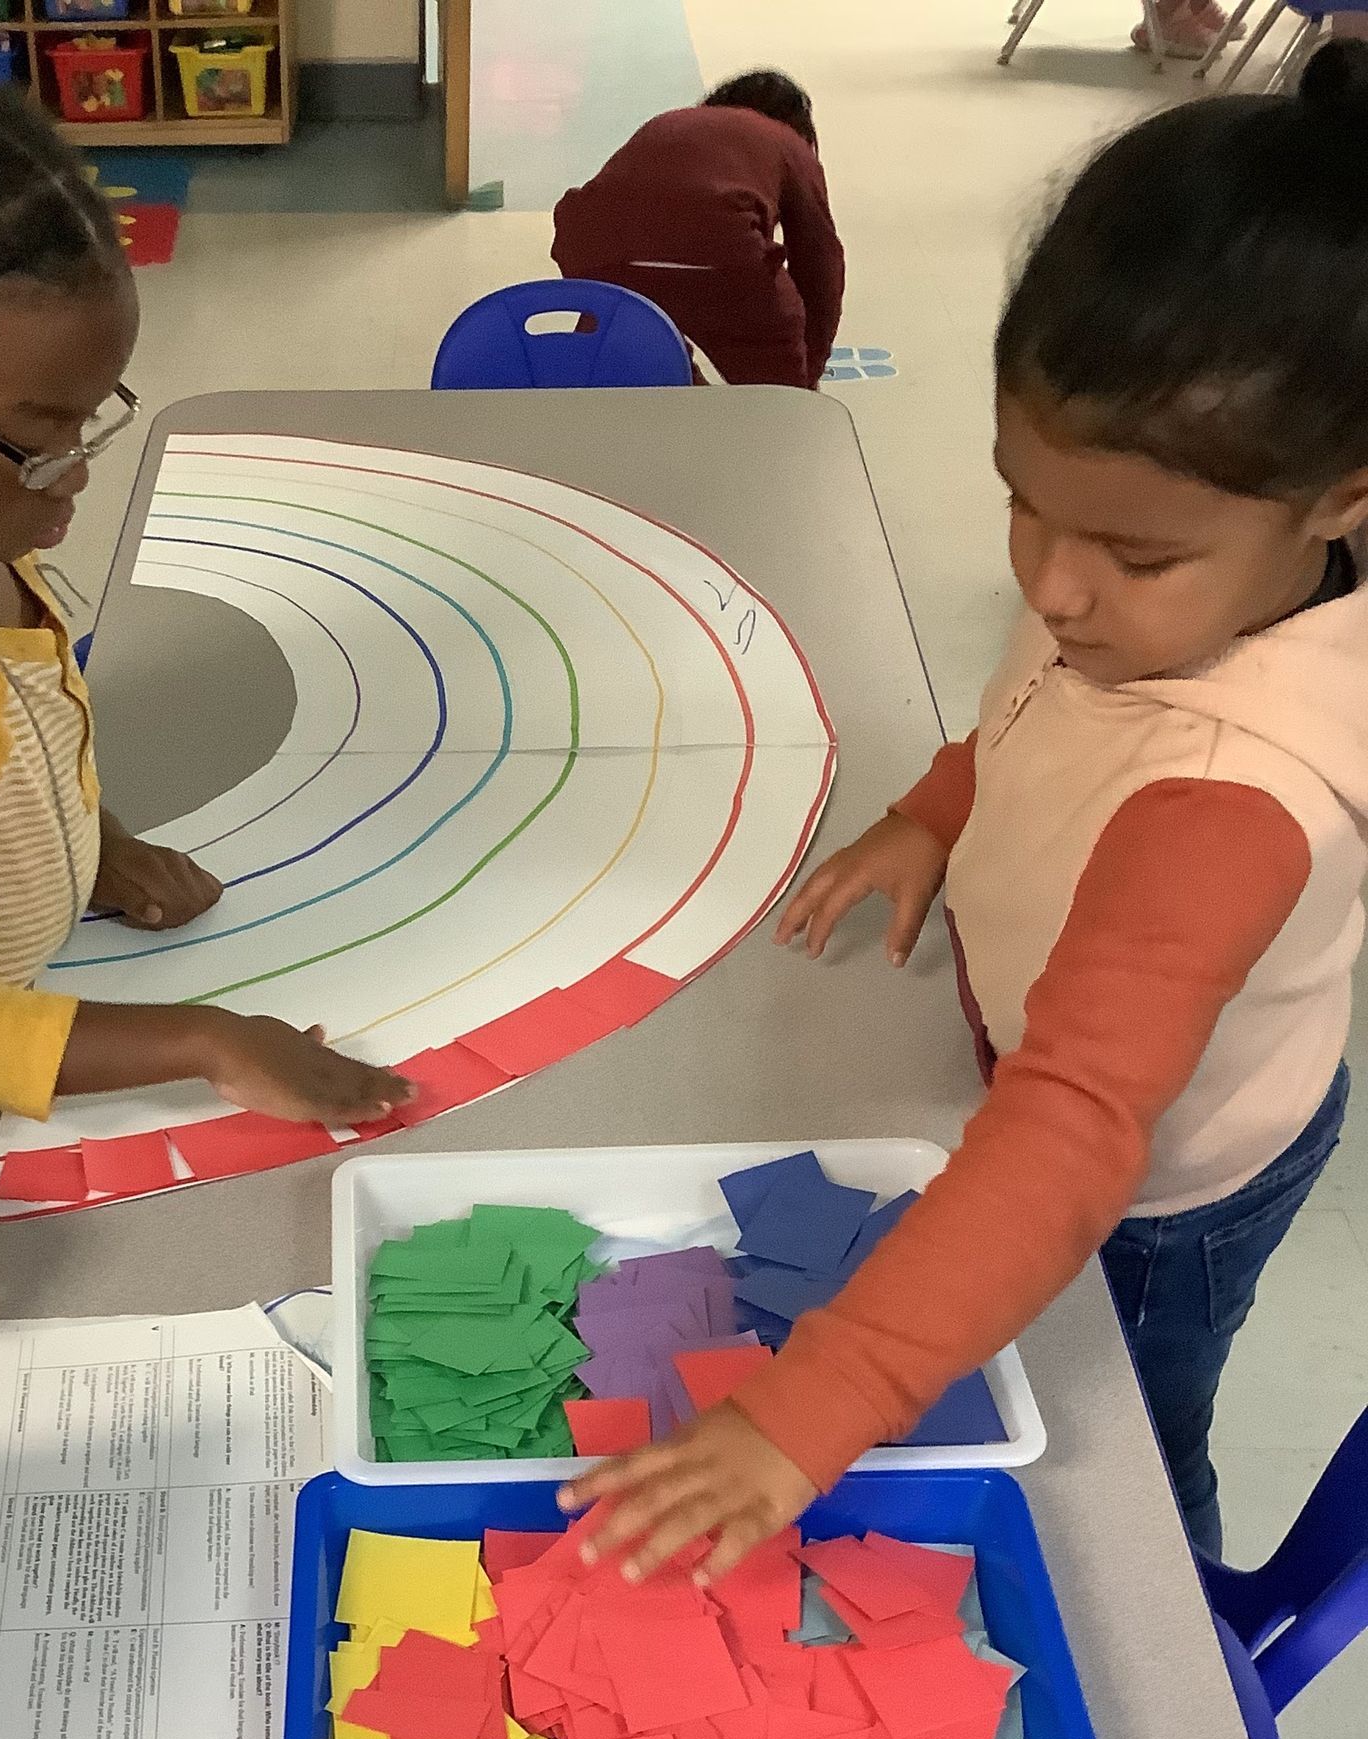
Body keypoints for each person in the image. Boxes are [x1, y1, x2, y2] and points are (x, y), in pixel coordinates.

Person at [570, 42, 1368, 1580]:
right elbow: (1029, 712)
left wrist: (813, 1407)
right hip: (1059, 1051)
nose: (1052, 584)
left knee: (1128, 1440)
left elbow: (1071, 1139)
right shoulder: (1143, 599)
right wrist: (938, 812)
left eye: (1131, 557)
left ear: (1340, 496)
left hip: (1162, 1187)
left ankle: (1175, 1615)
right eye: (1020, 501)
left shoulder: (1228, 806)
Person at [0, 75, 409, 1165]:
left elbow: (19, 754)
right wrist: (207, 1040)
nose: (77, 476)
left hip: (17, 1011)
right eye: (40, 432)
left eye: (94, 416)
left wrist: (100, 848)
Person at [550, 72, 843, 392]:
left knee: (625, 345)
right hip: (723, 256)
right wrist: (806, 370)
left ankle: (664, 387)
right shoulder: (788, 142)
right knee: (775, 396)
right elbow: (820, 262)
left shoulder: (670, 122)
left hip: (594, 249)